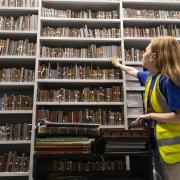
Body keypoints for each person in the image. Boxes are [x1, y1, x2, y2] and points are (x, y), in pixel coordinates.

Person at [111, 36, 180, 180]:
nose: (142, 54)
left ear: (153, 57)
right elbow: (132, 71)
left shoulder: (169, 81)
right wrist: (118, 65)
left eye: (145, 51)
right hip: (160, 148)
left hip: (176, 153)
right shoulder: (150, 77)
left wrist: (149, 116)